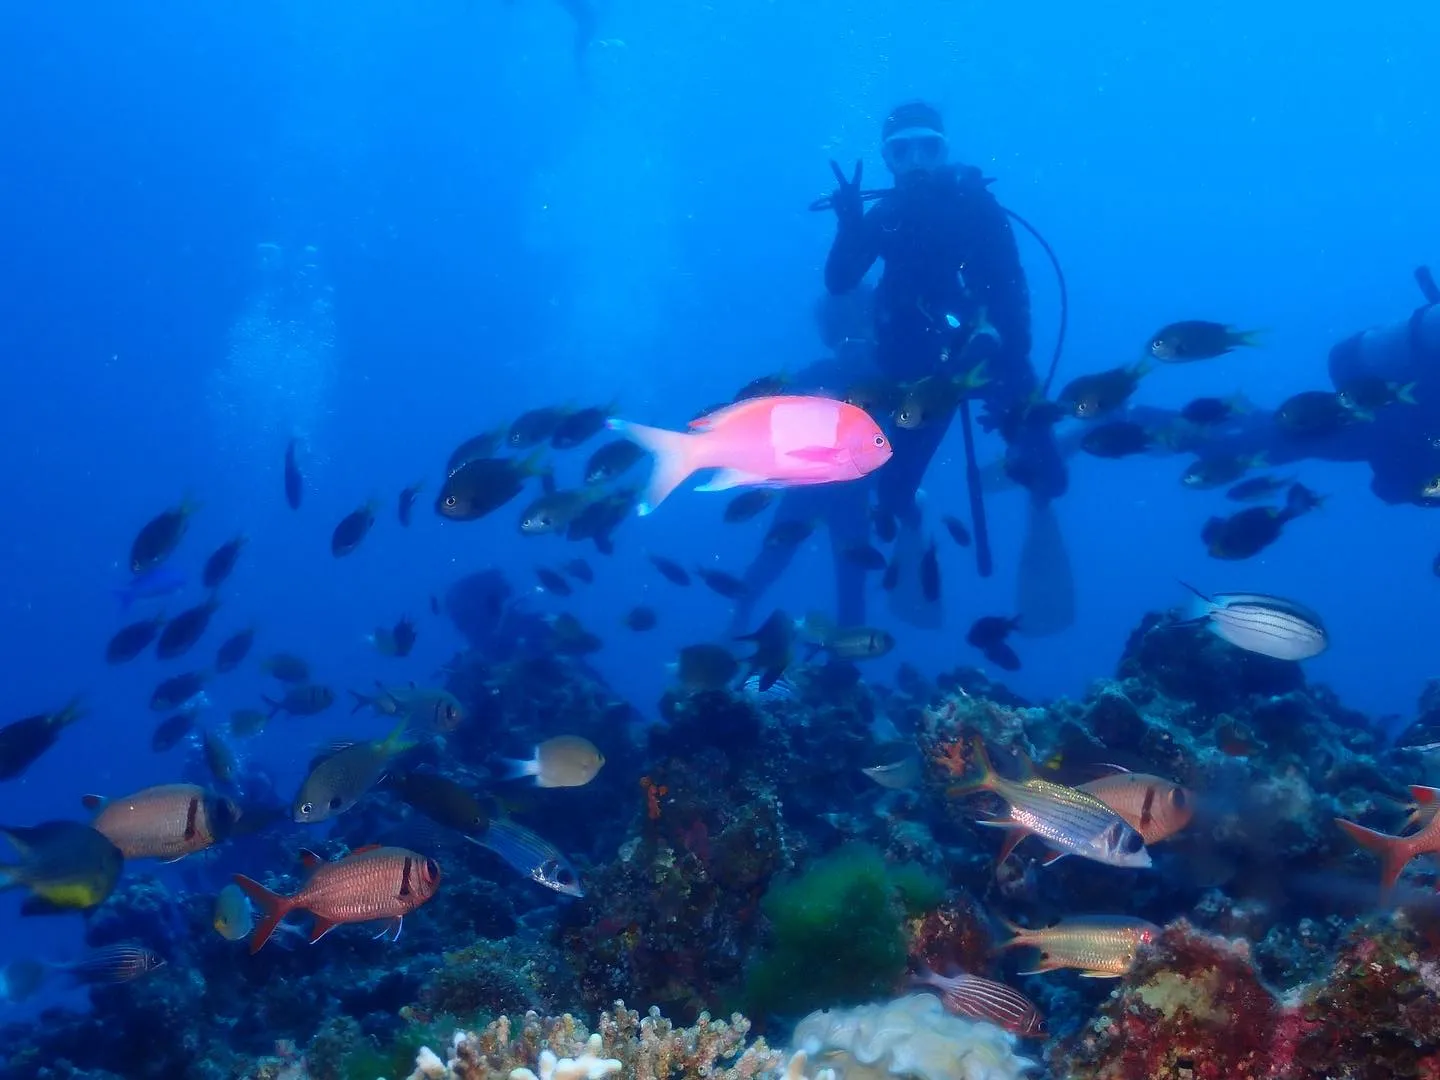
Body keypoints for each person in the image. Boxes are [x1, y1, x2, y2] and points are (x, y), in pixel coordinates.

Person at [731, 102, 1069, 631]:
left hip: (987, 361)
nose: (915, 161)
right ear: (887, 159)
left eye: (928, 147)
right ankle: (923, 516)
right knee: (889, 498)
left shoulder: (978, 208)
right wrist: (849, 223)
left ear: (944, 151)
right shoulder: (886, 215)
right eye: (901, 149)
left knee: (1051, 476)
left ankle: (1034, 488)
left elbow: (1013, 300)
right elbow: (841, 281)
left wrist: (994, 353)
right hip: (918, 375)